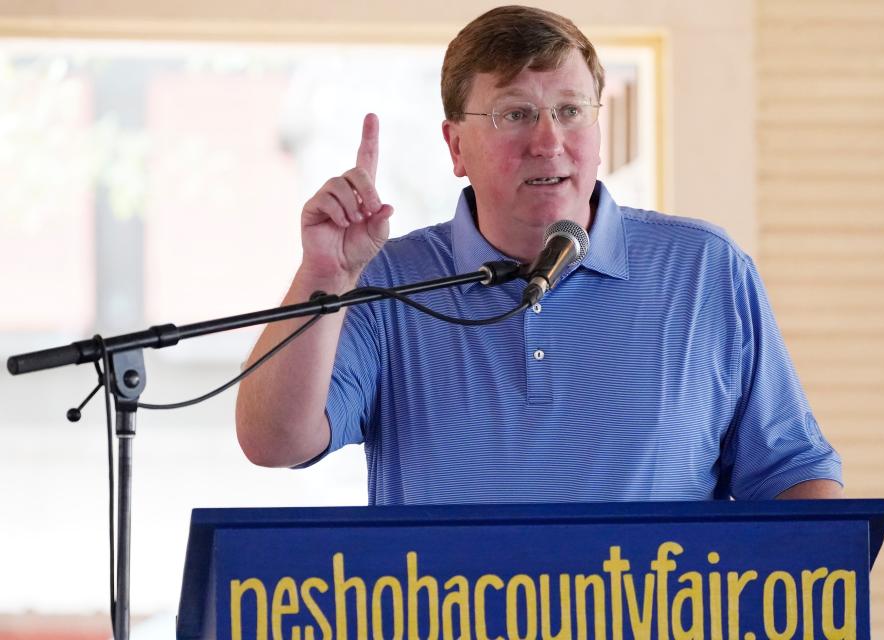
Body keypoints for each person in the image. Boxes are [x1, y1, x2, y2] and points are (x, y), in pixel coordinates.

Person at [235, 5, 842, 504]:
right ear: (455, 147)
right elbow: (274, 441)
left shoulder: (705, 269)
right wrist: (326, 275)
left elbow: (793, 474)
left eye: (571, 111)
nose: (548, 141)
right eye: (516, 113)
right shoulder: (388, 280)